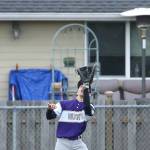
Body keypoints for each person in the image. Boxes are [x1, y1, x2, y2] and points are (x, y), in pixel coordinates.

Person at [46, 80, 95, 150]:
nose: (83, 88)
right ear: (77, 91)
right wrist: (49, 109)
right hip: (62, 143)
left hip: (78, 143)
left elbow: (88, 110)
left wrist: (86, 89)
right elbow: (49, 117)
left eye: (86, 89)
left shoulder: (90, 107)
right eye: (81, 87)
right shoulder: (63, 104)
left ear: (89, 94)